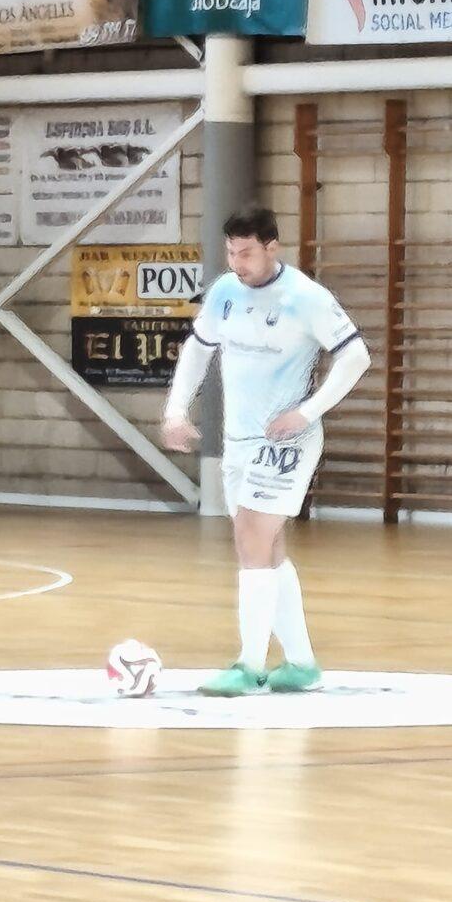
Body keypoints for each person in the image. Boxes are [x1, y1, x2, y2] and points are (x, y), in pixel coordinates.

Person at [162, 206, 370, 697]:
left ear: (272, 247)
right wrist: (175, 411)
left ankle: (250, 666)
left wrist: (308, 412)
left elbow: (356, 357)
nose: (237, 263)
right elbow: (198, 350)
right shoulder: (224, 291)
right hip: (239, 439)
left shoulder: (305, 297)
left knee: (251, 538)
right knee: (267, 550)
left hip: (285, 441)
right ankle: (301, 664)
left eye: (247, 253)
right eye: (231, 252)